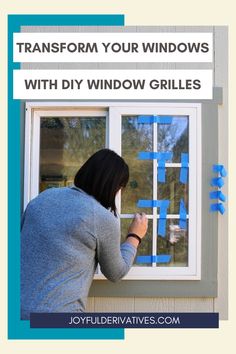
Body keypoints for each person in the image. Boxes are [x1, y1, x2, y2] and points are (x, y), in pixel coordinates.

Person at [21, 148, 148, 319]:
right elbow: (115, 272)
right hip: (58, 319)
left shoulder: (41, 199)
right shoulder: (101, 217)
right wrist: (135, 236)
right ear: (115, 186)